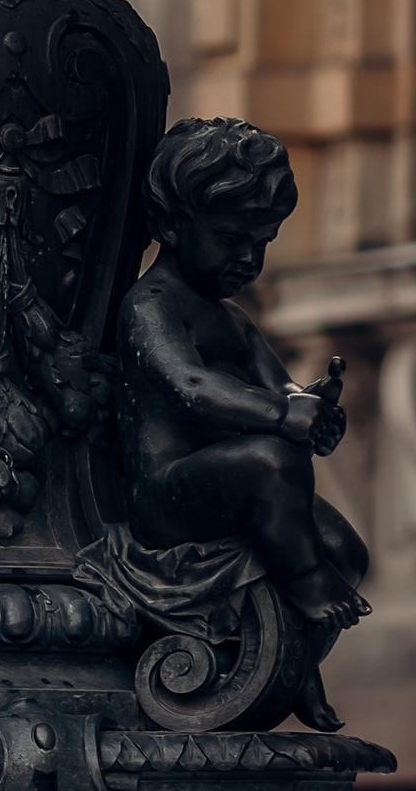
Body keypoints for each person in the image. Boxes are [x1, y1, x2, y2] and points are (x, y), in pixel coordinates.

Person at [119, 116, 370, 666]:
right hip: (168, 492)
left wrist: (311, 404)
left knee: (347, 551)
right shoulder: (151, 304)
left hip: (233, 477)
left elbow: (277, 384)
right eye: (232, 240)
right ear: (170, 224)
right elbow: (190, 384)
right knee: (270, 459)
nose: (249, 261)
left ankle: (293, 666)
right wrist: (281, 415)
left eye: (263, 243)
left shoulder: (234, 319)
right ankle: (305, 579)